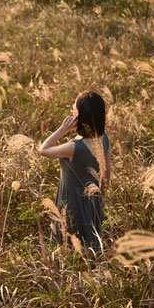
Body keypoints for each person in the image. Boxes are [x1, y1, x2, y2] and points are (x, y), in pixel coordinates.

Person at [37, 91, 111, 252]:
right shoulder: (104, 137)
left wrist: (62, 129)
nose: (71, 107)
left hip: (71, 203)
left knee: (68, 247)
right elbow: (107, 172)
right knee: (90, 244)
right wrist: (102, 197)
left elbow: (43, 149)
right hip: (93, 200)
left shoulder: (74, 148)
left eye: (73, 105)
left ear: (77, 114)